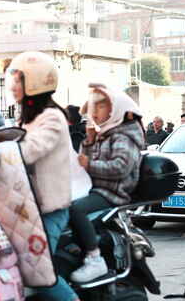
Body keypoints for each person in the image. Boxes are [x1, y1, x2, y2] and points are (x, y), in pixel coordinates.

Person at [7, 52, 79, 301]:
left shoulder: (52, 117)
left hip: (50, 209)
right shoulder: (29, 117)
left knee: (35, 271)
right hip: (28, 207)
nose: (14, 86)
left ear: (35, 83)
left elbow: (30, 149)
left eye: (19, 80)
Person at [69, 84, 145, 283]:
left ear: (116, 109)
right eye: (94, 108)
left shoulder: (124, 135)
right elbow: (82, 160)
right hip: (97, 187)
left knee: (76, 209)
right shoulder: (105, 132)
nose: (95, 112)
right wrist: (89, 141)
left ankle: (95, 259)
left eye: (100, 107)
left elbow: (120, 167)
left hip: (113, 192)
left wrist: (90, 165)